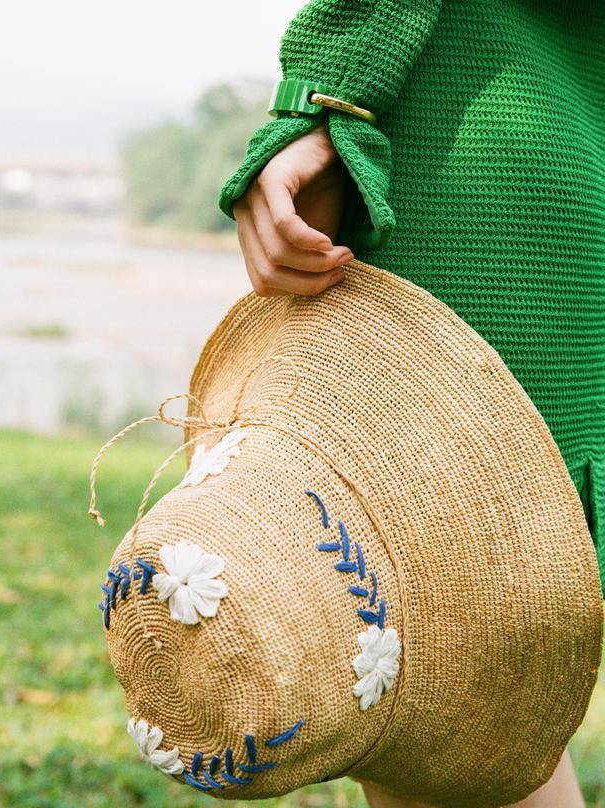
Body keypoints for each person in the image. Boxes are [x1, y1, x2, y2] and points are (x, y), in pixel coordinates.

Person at [219, 1, 604, 806]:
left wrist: (330, 95)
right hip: (561, 137)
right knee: (479, 685)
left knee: (449, 684)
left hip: (479, 124)